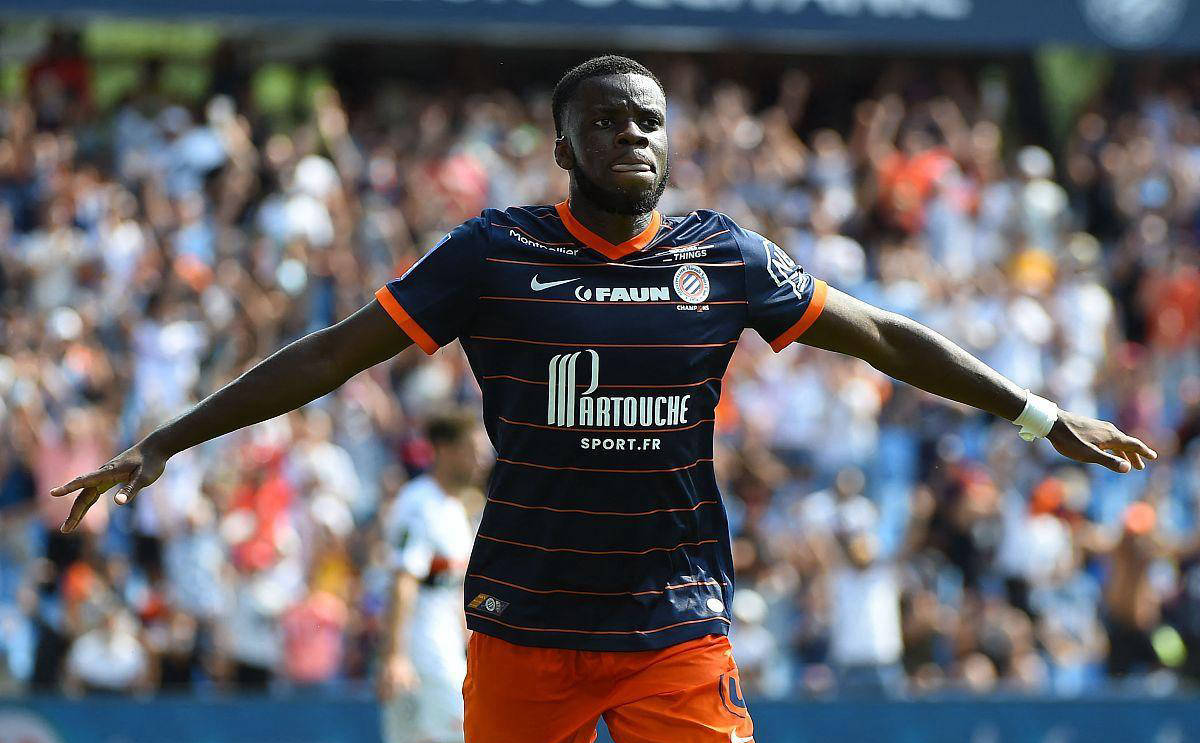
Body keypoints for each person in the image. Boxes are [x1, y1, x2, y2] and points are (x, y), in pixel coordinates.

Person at [51, 55, 1158, 742]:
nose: (635, 136)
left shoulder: (723, 254)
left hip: (675, 619)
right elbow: (334, 355)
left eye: (649, 122)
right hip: (524, 621)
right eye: (610, 121)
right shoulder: (492, 252)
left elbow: (878, 334)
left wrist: (1036, 411)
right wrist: (168, 439)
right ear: (563, 145)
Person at [378, 410, 480, 743]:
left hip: (445, 650)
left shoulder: (455, 509)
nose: (478, 460)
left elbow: (456, 592)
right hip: (423, 654)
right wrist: (396, 655)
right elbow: (403, 582)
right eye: (470, 450)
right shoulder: (418, 504)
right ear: (445, 450)